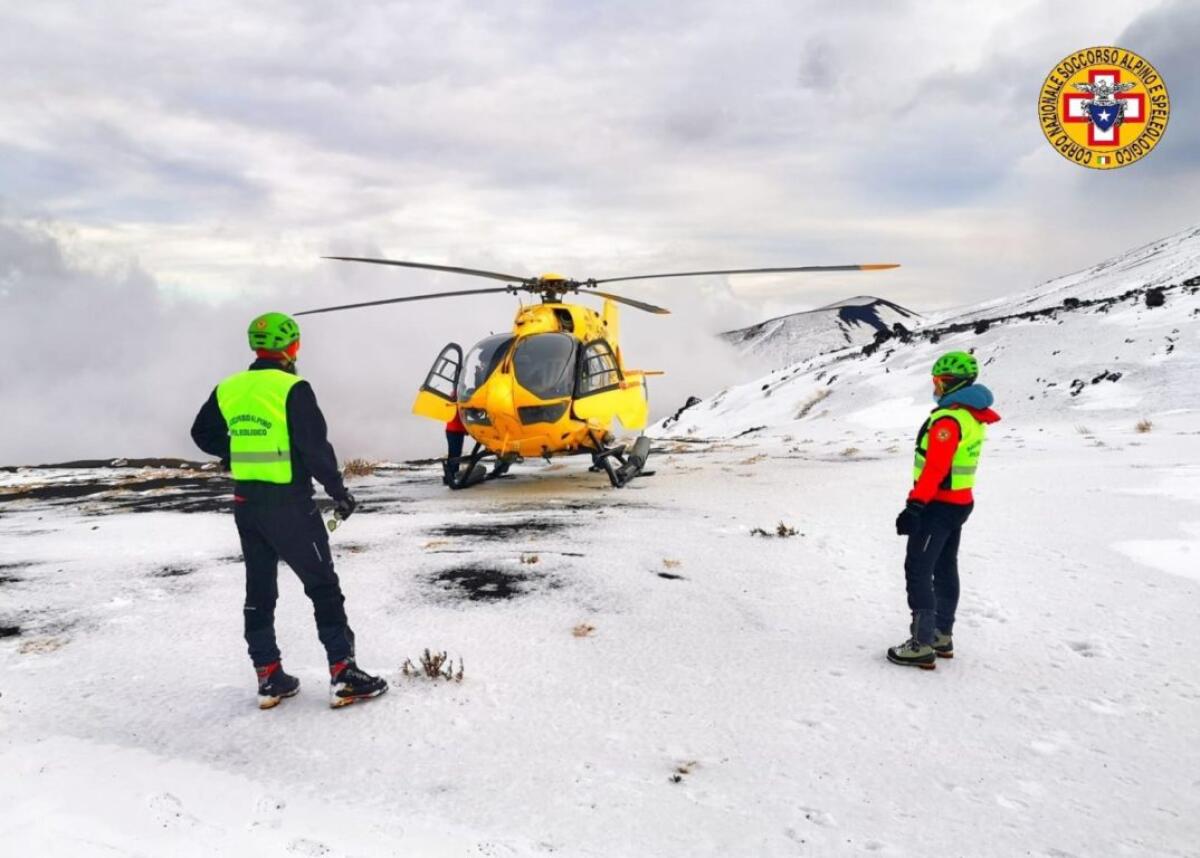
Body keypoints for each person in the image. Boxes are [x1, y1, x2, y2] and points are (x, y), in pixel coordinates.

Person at [190, 312, 388, 708]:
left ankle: (269, 676)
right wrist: (338, 491)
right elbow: (316, 448)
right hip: (290, 507)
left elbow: (201, 433)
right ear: (292, 345)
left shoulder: (229, 388)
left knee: (259, 591)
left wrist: (234, 451)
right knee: (323, 587)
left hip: (247, 506)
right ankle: (343, 674)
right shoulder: (293, 388)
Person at [888, 351, 1000, 669]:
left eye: (936, 381)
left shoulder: (948, 420)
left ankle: (922, 644)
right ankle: (941, 634)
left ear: (949, 383)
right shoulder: (971, 415)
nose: (934, 387)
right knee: (944, 567)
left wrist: (914, 507)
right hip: (959, 503)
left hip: (937, 507)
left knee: (919, 569)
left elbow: (936, 468)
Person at [443, 398, 467, 486]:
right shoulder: (457, 404)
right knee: (455, 454)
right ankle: (450, 476)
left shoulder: (455, 403)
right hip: (455, 431)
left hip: (454, 431)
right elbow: (461, 418)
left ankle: (452, 475)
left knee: (455, 453)